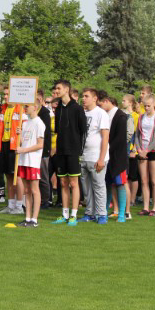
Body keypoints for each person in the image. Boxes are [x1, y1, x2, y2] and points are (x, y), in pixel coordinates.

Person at [51, 80, 86, 226]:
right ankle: (64, 214)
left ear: (66, 89)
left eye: (59, 88)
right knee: (63, 182)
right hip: (61, 151)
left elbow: (83, 130)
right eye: (56, 89)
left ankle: (73, 215)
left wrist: (79, 150)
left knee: (73, 182)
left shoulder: (77, 108)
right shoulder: (58, 108)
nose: (56, 91)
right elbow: (58, 131)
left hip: (73, 151)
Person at [78, 88, 110, 224]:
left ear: (95, 98)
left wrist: (101, 158)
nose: (83, 98)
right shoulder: (82, 113)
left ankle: (102, 214)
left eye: (86, 96)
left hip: (96, 156)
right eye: (83, 96)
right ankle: (89, 212)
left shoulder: (101, 113)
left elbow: (105, 137)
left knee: (99, 185)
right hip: (83, 156)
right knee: (86, 187)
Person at [97, 92, 130, 222]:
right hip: (107, 156)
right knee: (107, 183)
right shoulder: (104, 115)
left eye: (100, 105)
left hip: (118, 157)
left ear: (106, 101)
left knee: (120, 184)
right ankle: (104, 211)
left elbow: (121, 138)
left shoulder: (120, 116)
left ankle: (122, 214)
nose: (99, 108)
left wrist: (106, 148)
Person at [16, 102, 46, 227]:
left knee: (34, 189)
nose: (25, 108)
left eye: (27, 106)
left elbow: (40, 144)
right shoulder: (25, 123)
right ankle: (27, 217)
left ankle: (34, 219)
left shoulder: (39, 123)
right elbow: (25, 142)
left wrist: (23, 150)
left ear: (35, 107)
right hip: (23, 160)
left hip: (33, 161)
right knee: (27, 190)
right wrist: (19, 135)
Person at [136, 94, 155, 216]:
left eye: (148, 105)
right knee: (144, 180)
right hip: (142, 150)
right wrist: (139, 149)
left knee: (154, 180)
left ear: (154, 104)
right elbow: (137, 135)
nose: (146, 108)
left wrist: (147, 150)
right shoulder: (141, 117)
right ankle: (146, 207)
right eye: (145, 106)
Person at [0, 97, 26, 214]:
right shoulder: (3, 108)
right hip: (4, 144)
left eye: (8, 94)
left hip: (15, 145)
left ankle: (19, 206)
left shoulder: (20, 109)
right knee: (8, 176)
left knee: (17, 176)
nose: (5, 97)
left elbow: (25, 127)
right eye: (4, 94)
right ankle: (11, 205)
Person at [36, 89, 52, 209]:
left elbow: (45, 133)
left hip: (43, 148)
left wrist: (46, 149)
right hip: (34, 148)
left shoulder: (45, 113)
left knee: (43, 175)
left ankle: (46, 199)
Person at [122, 94, 140, 206]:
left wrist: (134, 149)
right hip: (124, 149)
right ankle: (126, 198)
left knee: (133, 176)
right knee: (126, 176)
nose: (122, 102)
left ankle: (132, 199)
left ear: (130, 103)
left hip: (132, 149)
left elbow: (136, 133)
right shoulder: (122, 114)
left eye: (124, 101)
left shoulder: (135, 116)